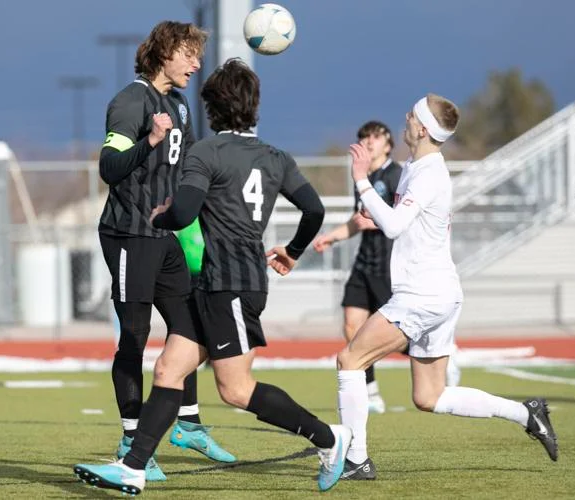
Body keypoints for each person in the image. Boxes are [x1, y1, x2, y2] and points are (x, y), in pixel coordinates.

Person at [74, 58, 352, 494]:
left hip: (232, 287)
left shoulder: (207, 152)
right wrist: (293, 251)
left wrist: (164, 216)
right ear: (253, 107)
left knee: (236, 390)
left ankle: (331, 439)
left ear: (212, 109)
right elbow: (314, 210)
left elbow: (184, 210)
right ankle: (133, 466)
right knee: (168, 369)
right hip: (219, 283)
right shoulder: (277, 158)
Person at [334, 93, 558, 481]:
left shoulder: (429, 172)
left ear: (421, 128)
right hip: (439, 292)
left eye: (410, 115)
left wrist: (360, 178)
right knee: (429, 397)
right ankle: (528, 413)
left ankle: (356, 459)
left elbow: (395, 226)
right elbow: (402, 222)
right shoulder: (416, 165)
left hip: (422, 294)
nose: (404, 119)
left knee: (349, 361)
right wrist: (375, 213)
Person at [96, 21, 234, 482]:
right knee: (134, 335)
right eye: (189, 54)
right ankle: (131, 440)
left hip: (164, 235)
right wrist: (149, 141)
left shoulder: (179, 104)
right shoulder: (130, 102)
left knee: (190, 328)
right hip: (128, 234)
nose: (196, 64)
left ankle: (189, 424)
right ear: (164, 54)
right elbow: (109, 168)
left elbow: (190, 166)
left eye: (198, 55)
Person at [312, 121, 402, 414]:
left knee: (400, 336)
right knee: (352, 326)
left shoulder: (396, 175)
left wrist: (375, 222)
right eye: (365, 137)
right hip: (363, 264)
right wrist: (332, 237)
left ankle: (441, 357)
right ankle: (371, 389)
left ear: (387, 144)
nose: (369, 141)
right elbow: (357, 219)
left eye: (375, 137)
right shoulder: (360, 177)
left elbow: (402, 220)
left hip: (389, 267)